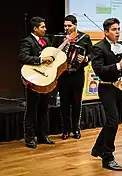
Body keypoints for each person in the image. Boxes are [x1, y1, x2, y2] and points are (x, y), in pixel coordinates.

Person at [91, 18, 122, 171]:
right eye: (114, 30)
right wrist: (117, 65)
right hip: (106, 88)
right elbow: (99, 70)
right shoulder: (98, 48)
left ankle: (98, 148)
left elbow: (121, 67)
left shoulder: (120, 47)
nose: (118, 32)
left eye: (119, 29)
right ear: (106, 32)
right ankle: (108, 157)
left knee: (113, 121)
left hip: (118, 87)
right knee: (113, 121)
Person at [19, 16, 55, 148]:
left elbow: (51, 55)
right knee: (31, 109)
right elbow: (23, 57)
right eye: (42, 27)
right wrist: (41, 60)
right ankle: (29, 137)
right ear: (35, 28)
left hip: (45, 79)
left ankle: (42, 135)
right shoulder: (27, 41)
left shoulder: (46, 40)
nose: (45, 29)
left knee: (43, 108)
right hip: (33, 79)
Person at [57, 15, 93, 140]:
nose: (67, 28)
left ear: (75, 25)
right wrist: (65, 41)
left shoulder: (84, 38)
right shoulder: (61, 38)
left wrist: (85, 58)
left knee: (77, 102)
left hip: (77, 74)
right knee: (64, 103)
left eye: (69, 25)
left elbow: (92, 53)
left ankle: (76, 128)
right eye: (65, 26)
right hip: (63, 74)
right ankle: (65, 130)